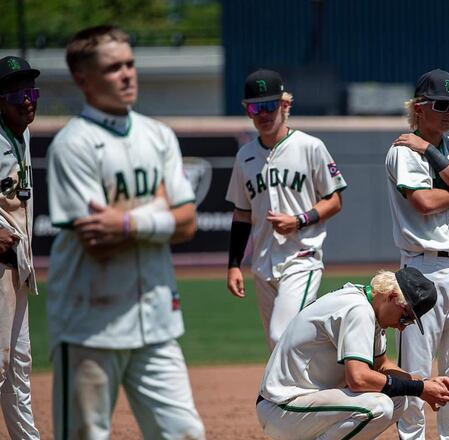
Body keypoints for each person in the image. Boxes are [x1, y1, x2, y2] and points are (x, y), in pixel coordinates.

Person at [46, 25, 204, 439]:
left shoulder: (159, 135)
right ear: (83, 79)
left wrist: (129, 221)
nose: (127, 74)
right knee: (85, 434)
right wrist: (159, 207)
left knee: (185, 433)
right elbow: (95, 240)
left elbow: (188, 222)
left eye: (130, 64)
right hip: (89, 322)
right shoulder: (73, 144)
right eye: (113, 67)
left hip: (156, 320)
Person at [255, 267, 449, 440]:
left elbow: (382, 366)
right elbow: (358, 379)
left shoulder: (368, 305)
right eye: (406, 317)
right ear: (392, 296)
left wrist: (424, 383)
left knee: (398, 400)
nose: (403, 327)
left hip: (304, 406)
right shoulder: (358, 310)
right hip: (283, 407)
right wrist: (420, 388)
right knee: (379, 407)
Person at [386, 68, 449, 439]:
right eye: (441, 104)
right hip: (422, 267)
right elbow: (424, 202)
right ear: (419, 107)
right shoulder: (400, 151)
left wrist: (428, 150)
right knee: (417, 367)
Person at [226, 69, 346, 350]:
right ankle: (298, 391)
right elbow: (242, 213)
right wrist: (233, 264)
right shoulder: (245, 156)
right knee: (277, 344)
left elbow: (335, 200)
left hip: (301, 256)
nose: (263, 114)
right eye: (256, 107)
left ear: (285, 106)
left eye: (270, 105)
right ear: (247, 111)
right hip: (263, 261)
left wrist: (300, 220)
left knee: (283, 336)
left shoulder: (310, 146)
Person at [0, 55, 40, 439]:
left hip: (17, 266)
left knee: (18, 366)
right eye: (16, 94)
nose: (27, 101)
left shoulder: (22, 134)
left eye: (31, 92)